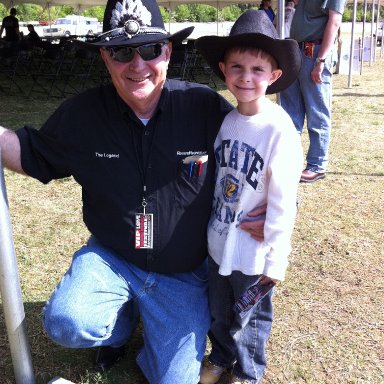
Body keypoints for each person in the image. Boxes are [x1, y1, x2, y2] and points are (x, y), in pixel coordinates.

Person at [0, 0, 265, 382]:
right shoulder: (82, 115)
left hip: (184, 272)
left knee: (176, 380)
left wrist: (271, 206)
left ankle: (155, 333)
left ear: (168, 52)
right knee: (66, 323)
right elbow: (29, 153)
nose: (137, 64)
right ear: (106, 57)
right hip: (113, 257)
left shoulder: (205, 107)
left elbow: (253, 148)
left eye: (150, 49)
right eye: (122, 52)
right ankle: (122, 325)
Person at [195, 10, 302, 384]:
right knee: (220, 310)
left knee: (250, 318)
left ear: (274, 77)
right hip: (220, 241)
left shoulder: (278, 129)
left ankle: (247, 371)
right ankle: (222, 357)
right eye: (237, 67)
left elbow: (284, 200)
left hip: (254, 255)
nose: (245, 77)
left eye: (258, 70)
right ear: (223, 69)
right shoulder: (227, 121)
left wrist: (276, 260)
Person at [279, 0, 347, 183]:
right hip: (296, 50)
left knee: (317, 113)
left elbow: (334, 22)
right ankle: (288, 160)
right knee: (290, 113)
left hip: (314, 52)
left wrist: (321, 60)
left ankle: (317, 165)